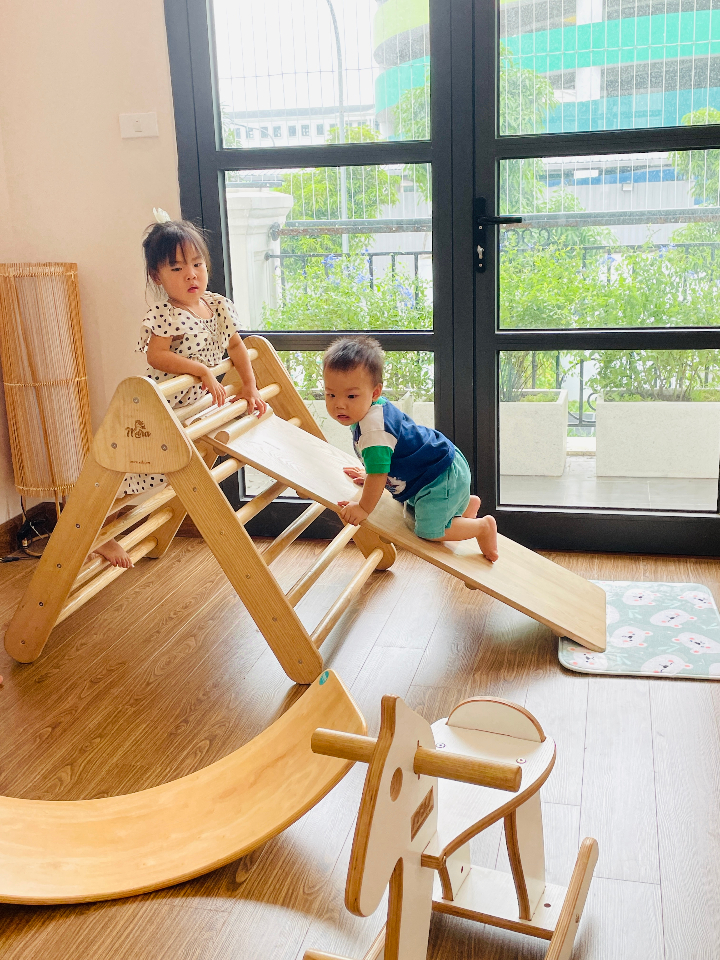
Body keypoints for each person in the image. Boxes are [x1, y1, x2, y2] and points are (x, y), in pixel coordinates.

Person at [94, 211, 267, 568]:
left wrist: (250, 388)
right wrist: (200, 369)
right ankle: (100, 532)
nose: (191, 274)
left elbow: (237, 347)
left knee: (159, 475)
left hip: (194, 409)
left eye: (197, 264)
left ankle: (105, 528)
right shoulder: (166, 313)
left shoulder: (217, 305)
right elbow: (157, 356)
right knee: (133, 474)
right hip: (161, 409)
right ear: (157, 276)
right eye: (176, 268)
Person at [323, 336, 498, 562]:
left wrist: (363, 508)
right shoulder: (372, 408)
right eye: (331, 394)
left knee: (428, 532)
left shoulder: (374, 431)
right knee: (412, 509)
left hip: (440, 477)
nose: (339, 404)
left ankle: (482, 527)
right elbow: (388, 456)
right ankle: (464, 506)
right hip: (439, 467)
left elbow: (379, 472)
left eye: (351, 396)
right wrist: (370, 474)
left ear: (375, 392)